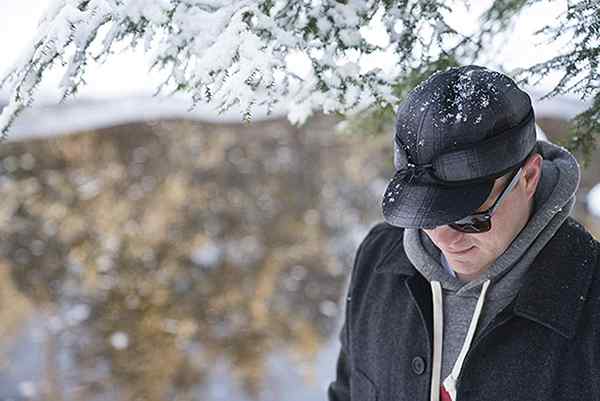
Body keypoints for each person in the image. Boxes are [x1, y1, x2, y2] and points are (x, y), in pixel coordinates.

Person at [327, 65, 600, 401]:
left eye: (469, 218)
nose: (442, 239)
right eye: (424, 215)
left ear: (528, 177)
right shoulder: (375, 257)